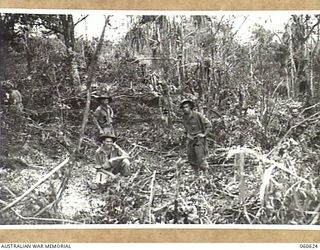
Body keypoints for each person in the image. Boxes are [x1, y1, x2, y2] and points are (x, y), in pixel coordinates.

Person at [180, 99, 212, 175]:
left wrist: (204, 134)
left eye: (187, 107)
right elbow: (186, 128)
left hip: (199, 139)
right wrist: (186, 135)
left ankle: (206, 176)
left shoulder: (197, 115)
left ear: (190, 107)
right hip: (191, 139)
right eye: (183, 107)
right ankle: (196, 175)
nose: (185, 109)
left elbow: (209, 125)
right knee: (191, 157)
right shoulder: (184, 117)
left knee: (201, 157)